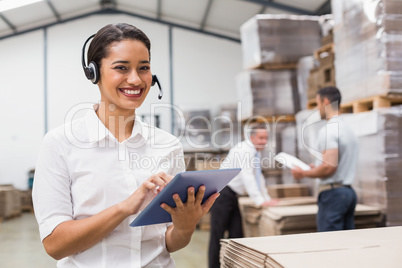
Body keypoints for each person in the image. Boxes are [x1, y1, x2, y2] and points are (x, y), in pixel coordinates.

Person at [32, 23, 219, 267]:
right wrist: (124, 208)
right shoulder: (60, 144)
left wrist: (185, 226)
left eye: (144, 68)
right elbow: (55, 245)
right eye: (121, 68)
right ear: (93, 73)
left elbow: (169, 242)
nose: (135, 79)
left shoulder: (168, 145)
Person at [208, 124, 278, 268]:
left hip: (232, 195)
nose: (264, 141)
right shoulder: (244, 150)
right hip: (222, 193)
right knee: (218, 235)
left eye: (266, 138)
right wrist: (259, 201)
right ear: (252, 138)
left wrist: (267, 199)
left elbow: (259, 177)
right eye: (261, 138)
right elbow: (248, 177)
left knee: (237, 234)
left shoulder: (253, 152)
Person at [291, 86, 358, 232]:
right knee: (348, 244)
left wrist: (303, 173)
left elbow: (329, 167)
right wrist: (317, 167)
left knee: (330, 243)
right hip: (348, 193)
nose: (317, 109)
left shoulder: (329, 130)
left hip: (333, 195)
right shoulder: (347, 129)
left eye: (317, 104)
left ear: (326, 102)